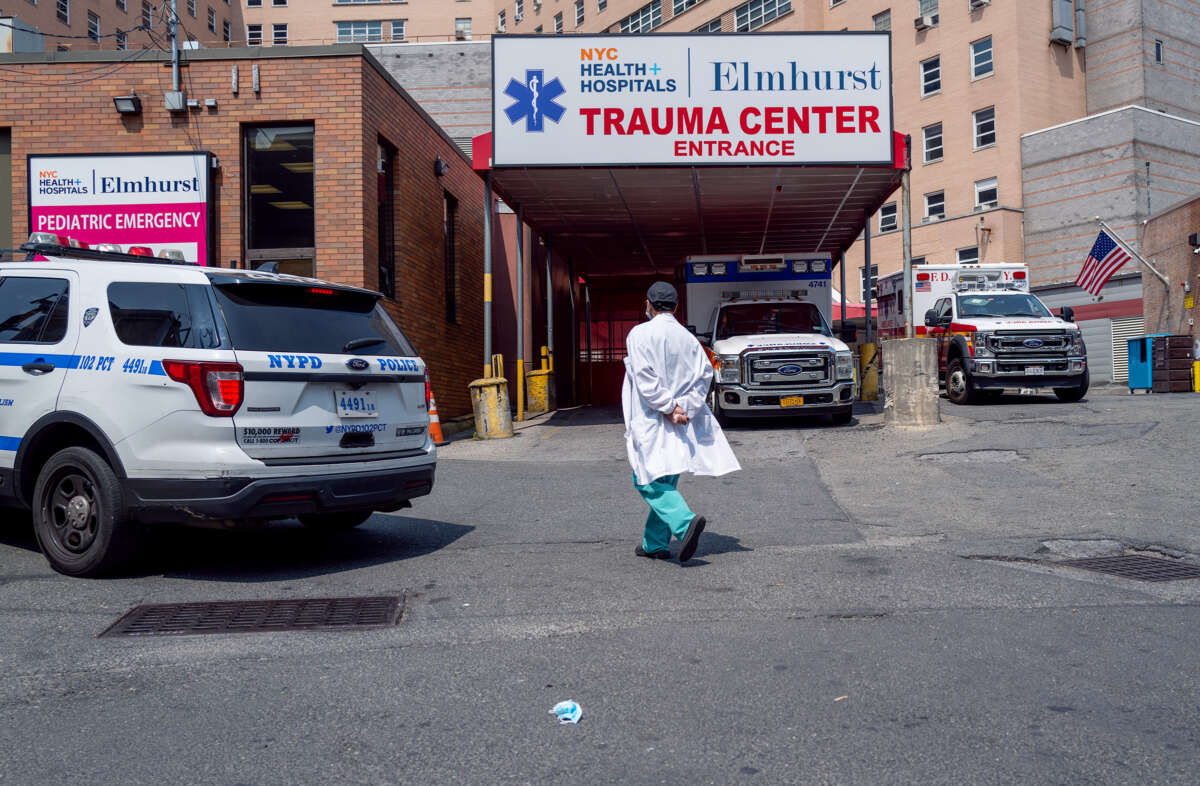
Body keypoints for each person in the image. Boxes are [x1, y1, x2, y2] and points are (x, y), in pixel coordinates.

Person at [621, 281, 740, 563]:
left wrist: (668, 406)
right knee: (665, 481)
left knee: (646, 481)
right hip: (681, 421)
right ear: (676, 307)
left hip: (652, 418)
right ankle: (654, 544)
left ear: (647, 304)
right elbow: (705, 376)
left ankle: (685, 523)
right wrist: (684, 407)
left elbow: (645, 377)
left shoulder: (640, 333)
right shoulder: (689, 339)